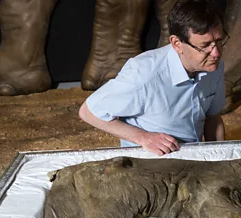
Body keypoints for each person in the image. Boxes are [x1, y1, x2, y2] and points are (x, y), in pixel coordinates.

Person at [79, 0, 229, 156]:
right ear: (176, 43)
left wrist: (219, 157)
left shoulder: (213, 65)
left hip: (193, 156)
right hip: (149, 163)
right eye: (204, 46)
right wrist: (144, 138)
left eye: (219, 42)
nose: (216, 53)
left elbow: (213, 118)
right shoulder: (144, 74)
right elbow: (88, 112)